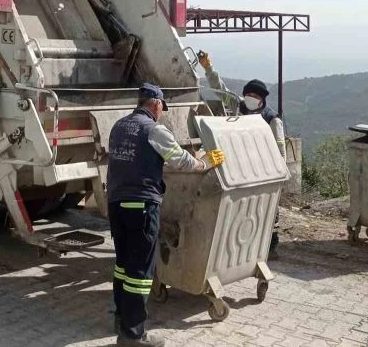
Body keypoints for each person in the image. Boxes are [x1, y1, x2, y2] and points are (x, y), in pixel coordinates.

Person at [107, 83, 225, 346]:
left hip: (117, 205)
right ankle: (132, 335)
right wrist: (205, 162)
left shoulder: (119, 126)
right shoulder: (155, 130)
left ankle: (121, 317)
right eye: (162, 108)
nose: (162, 112)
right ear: (156, 104)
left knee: (124, 265)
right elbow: (180, 160)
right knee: (140, 273)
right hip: (141, 207)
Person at [239, 78, 286, 260]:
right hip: (244, 169)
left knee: (269, 210)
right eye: (248, 95)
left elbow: (281, 150)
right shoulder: (241, 110)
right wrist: (209, 69)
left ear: (262, 98)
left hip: (266, 171)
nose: (250, 98)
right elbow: (219, 89)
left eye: (255, 96)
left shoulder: (272, 119)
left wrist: (279, 176)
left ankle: (271, 246)